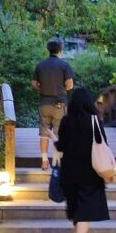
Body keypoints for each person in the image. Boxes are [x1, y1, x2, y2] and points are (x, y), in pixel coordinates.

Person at [54, 87, 111, 233]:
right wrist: (108, 170)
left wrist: (53, 139)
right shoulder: (95, 121)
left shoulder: (66, 121)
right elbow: (104, 146)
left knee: (75, 208)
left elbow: (61, 146)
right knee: (86, 209)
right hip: (91, 172)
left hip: (70, 172)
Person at [31, 39, 74, 170]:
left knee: (44, 133)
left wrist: (42, 88)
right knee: (59, 134)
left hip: (44, 103)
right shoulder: (64, 65)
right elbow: (70, 85)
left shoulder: (40, 65)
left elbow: (34, 83)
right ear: (60, 50)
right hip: (60, 104)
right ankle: (59, 162)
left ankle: (44, 162)